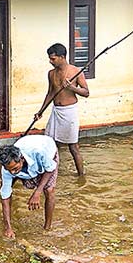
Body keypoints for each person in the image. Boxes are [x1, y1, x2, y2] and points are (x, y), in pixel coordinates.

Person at [34, 43, 89, 175]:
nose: (50, 61)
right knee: (50, 144)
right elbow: (50, 93)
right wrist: (40, 111)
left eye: (53, 59)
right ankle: (49, 173)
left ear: (62, 57)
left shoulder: (75, 71)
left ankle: (81, 176)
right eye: (50, 58)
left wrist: (72, 88)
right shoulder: (51, 73)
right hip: (56, 111)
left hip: (69, 112)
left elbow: (86, 92)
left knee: (73, 147)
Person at [0, 135, 59, 239]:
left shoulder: (39, 152)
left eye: (15, 168)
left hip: (48, 151)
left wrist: (37, 193)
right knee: (6, 189)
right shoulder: (7, 169)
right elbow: (5, 196)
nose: (12, 172)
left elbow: (50, 169)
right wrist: (8, 228)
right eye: (9, 170)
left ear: (22, 159)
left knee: (49, 190)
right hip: (28, 158)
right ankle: (8, 224)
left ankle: (47, 228)